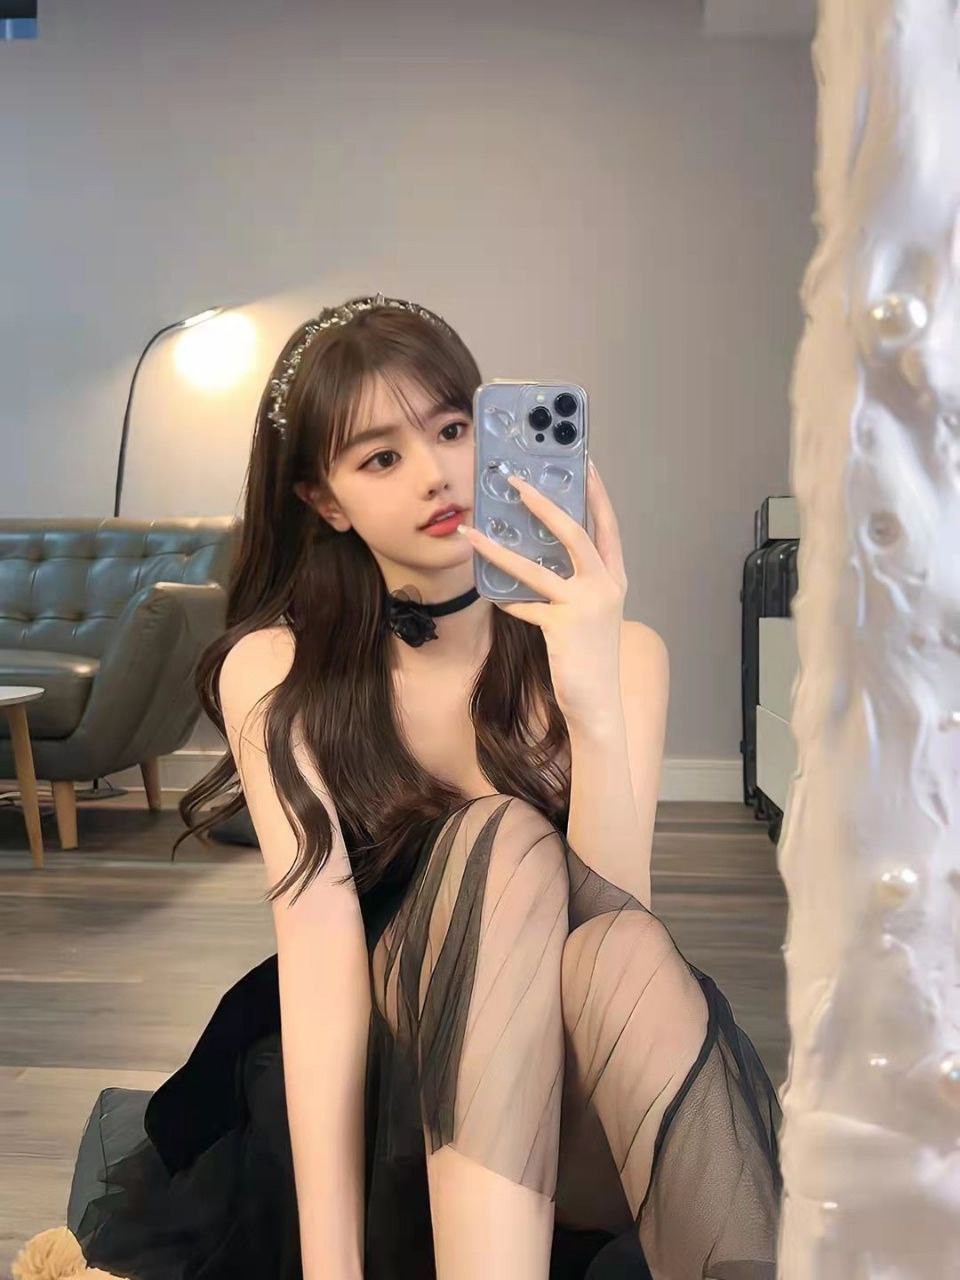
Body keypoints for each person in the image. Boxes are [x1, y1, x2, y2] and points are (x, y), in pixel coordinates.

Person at [14, 294, 782, 1280]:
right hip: (393, 1097)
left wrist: (591, 699)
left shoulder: (626, 655)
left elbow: (614, 941)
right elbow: (320, 956)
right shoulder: (278, 669)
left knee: (623, 949)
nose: (436, 473)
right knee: (498, 837)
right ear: (325, 500)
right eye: (381, 457)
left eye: (455, 429)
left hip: (571, 1078)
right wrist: (331, 1264)